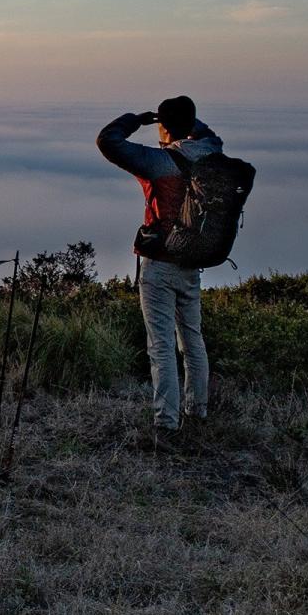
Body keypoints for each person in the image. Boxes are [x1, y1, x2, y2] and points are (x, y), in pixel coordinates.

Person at [96, 96, 223, 451]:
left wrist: (136, 119)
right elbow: (208, 133)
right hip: (192, 263)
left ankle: (166, 423)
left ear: (164, 126)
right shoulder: (211, 151)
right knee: (193, 340)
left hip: (161, 264)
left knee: (162, 346)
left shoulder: (158, 160)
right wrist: (183, 123)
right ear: (193, 123)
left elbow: (108, 141)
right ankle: (197, 413)